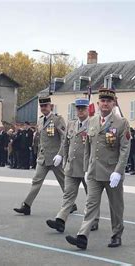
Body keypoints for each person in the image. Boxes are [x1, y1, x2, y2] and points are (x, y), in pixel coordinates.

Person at [65, 88, 130, 250]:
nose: (105, 104)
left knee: (116, 207)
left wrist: (118, 171)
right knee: (90, 204)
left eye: (108, 101)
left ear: (113, 103)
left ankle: (116, 234)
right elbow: (87, 147)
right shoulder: (92, 121)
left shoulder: (121, 123)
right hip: (94, 171)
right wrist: (87, 168)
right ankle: (82, 236)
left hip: (112, 172)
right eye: (103, 101)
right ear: (98, 103)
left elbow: (124, 149)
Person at [46, 98, 99, 233]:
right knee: (68, 195)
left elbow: (96, 147)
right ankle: (61, 220)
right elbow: (66, 143)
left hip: (87, 167)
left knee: (91, 197)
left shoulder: (94, 125)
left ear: (88, 109)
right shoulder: (71, 124)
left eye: (83, 109)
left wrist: (93, 165)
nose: (80, 111)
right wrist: (61, 155)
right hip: (72, 165)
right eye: (78, 108)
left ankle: (94, 220)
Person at [13, 97, 66, 215]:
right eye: (41, 106)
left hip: (55, 158)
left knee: (63, 182)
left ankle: (70, 204)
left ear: (50, 106)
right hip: (43, 158)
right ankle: (27, 205)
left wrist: (60, 155)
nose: (43, 108)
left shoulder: (57, 119)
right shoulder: (40, 120)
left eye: (45, 106)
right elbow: (41, 139)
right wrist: (37, 153)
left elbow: (64, 138)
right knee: (36, 181)